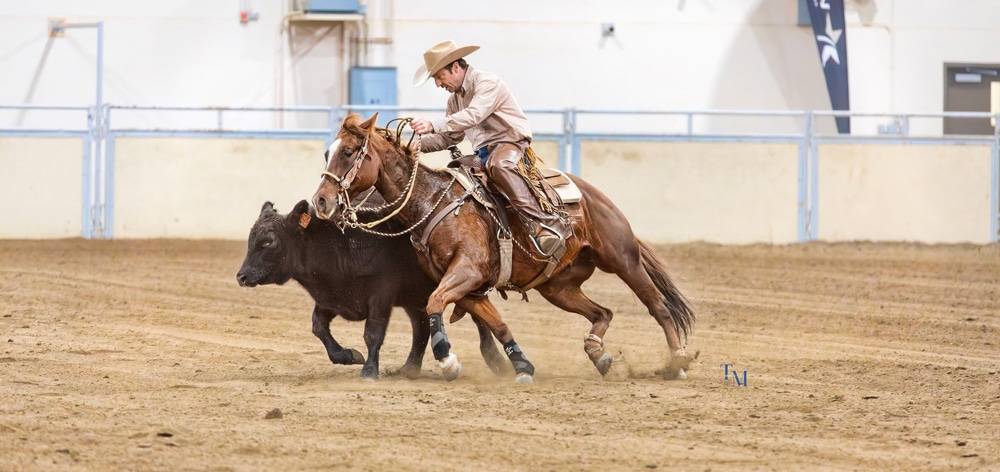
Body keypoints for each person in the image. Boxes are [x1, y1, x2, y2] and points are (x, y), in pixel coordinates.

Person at [409, 40, 570, 258]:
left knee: (500, 165)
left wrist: (432, 124)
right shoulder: (455, 100)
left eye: (439, 77)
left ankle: (545, 224)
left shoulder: (487, 82)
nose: (438, 84)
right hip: (483, 151)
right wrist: (417, 145)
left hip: (510, 142)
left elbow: (474, 114)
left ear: (455, 67)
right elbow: (450, 138)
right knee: (455, 174)